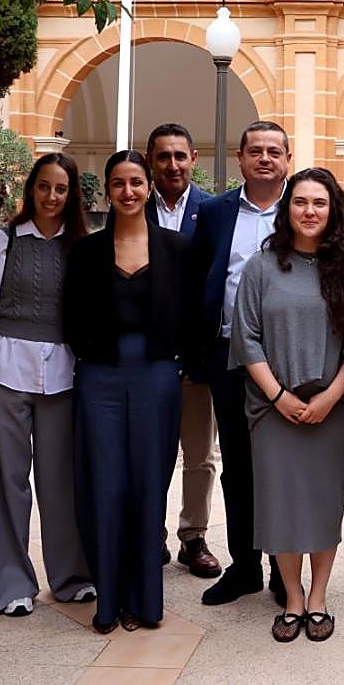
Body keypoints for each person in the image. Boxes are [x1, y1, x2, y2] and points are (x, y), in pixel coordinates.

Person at [229, 168, 344, 643]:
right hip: (273, 408)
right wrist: (280, 396)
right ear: (287, 209)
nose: (310, 211)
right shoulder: (262, 266)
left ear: (333, 210)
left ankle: (320, 596)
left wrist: (329, 397)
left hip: (333, 405)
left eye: (319, 203)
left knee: (324, 502)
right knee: (280, 502)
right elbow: (246, 339)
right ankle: (292, 597)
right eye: (300, 202)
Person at [0, 153, 94, 617]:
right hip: (4, 371)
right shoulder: (2, 242)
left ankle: (72, 578)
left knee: (62, 482)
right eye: (44, 187)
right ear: (31, 189)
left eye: (61, 189)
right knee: (7, 482)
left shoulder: (82, 246)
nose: (52, 197)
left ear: (72, 195)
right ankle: (10, 586)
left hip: (63, 377)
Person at [64, 150, 193, 633]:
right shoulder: (85, 251)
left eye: (136, 182)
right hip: (99, 375)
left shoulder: (178, 249)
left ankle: (144, 599)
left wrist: (180, 361)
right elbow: (71, 317)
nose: (128, 192)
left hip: (158, 376)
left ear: (149, 187)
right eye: (118, 183)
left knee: (148, 485)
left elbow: (193, 312)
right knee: (105, 484)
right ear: (108, 190)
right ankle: (108, 599)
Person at [191, 120, 291, 606]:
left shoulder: (304, 206)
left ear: (287, 160)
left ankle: (281, 568)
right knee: (238, 465)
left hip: (287, 361)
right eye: (256, 151)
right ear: (241, 158)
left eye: (275, 151)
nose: (265, 158)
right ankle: (245, 566)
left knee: (280, 465)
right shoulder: (214, 213)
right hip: (229, 357)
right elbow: (200, 280)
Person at [144, 123, 221, 580]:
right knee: (151, 451)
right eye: (163, 157)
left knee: (199, 454)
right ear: (150, 160)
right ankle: (149, 535)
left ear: (194, 158)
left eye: (180, 156)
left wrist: (201, 355)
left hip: (197, 356)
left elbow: (213, 288)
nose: (172, 165)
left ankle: (194, 536)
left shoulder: (211, 212)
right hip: (148, 357)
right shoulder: (130, 208)